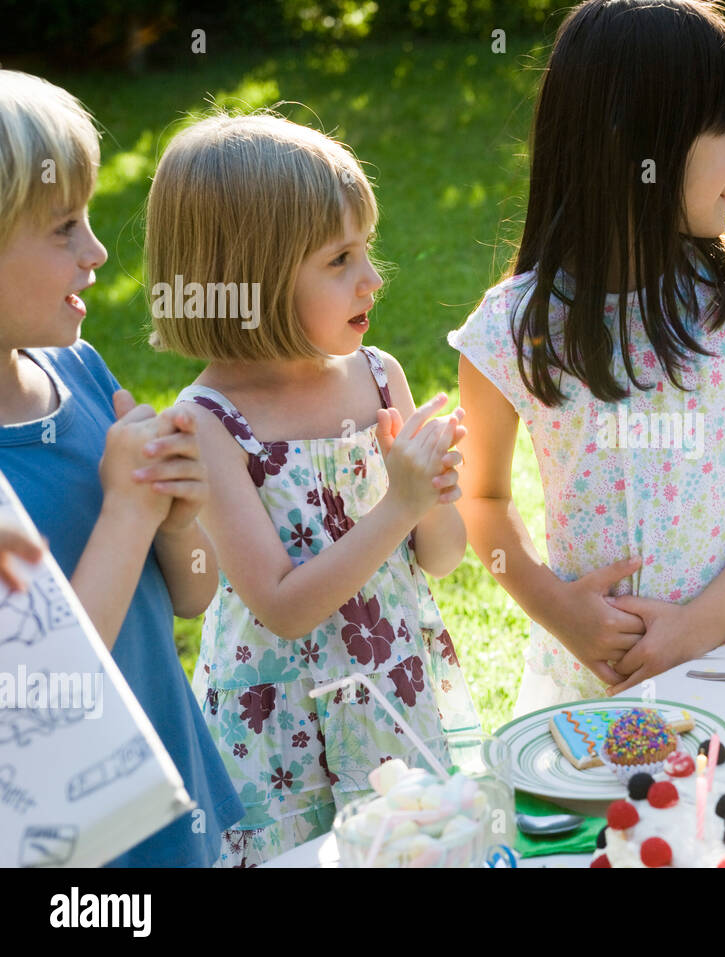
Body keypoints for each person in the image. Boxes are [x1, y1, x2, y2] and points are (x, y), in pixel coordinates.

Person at [450, 0, 725, 712]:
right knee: (606, 823)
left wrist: (702, 624)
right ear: (636, 143)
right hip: (597, 673)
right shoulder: (509, 329)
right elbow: (483, 498)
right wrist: (557, 608)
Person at [149, 111, 479, 866]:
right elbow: (285, 605)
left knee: (411, 847)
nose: (373, 277)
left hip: (392, 690)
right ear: (252, 280)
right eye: (340, 259)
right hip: (278, 726)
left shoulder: (377, 377)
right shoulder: (207, 422)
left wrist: (434, 492)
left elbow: (444, 556)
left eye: (367, 248)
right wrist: (399, 503)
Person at [0, 69, 242, 865]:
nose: (97, 251)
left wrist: (178, 519)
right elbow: (41, 694)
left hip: (173, 800)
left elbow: (193, 595)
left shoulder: (81, 373)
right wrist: (129, 510)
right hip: (79, 854)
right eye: (63, 226)